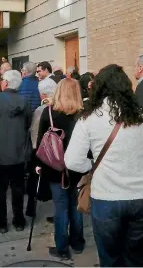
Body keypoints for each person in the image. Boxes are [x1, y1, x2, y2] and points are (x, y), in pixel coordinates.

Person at [65, 64, 143, 267]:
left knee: (110, 258)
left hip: (106, 197)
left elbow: (72, 161)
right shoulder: (140, 116)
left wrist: (92, 165)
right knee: (136, 257)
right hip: (140, 197)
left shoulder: (89, 119)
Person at [36, 78, 85, 261]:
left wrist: (38, 164)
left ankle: (62, 248)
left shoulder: (48, 112)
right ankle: (78, 242)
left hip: (55, 168)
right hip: (78, 168)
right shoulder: (83, 114)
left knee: (61, 208)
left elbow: (41, 141)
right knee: (76, 205)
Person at [0, 70, 33, 233]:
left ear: (6, 83)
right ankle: (19, 221)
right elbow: (28, 123)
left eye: (2, 79)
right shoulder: (25, 101)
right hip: (19, 152)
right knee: (18, 189)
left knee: (0, 190)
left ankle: (1, 223)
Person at [26, 78, 57, 217]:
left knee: (34, 179)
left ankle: (31, 208)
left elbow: (34, 132)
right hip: (55, 151)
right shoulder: (59, 108)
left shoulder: (40, 110)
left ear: (44, 95)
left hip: (40, 149)